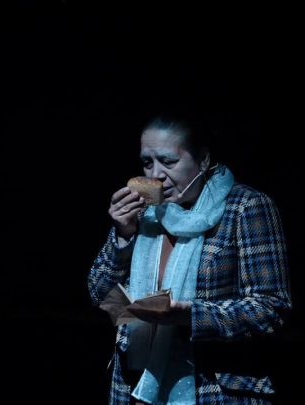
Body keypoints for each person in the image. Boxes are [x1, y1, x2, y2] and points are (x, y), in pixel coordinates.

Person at [87, 115, 291, 405]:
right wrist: (123, 236)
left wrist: (190, 315)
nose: (155, 175)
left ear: (204, 160)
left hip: (212, 391)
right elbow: (100, 295)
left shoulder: (245, 208)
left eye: (168, 162)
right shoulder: (143, 214)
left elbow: (270, 310)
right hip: (136, 387)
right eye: (147, 163)